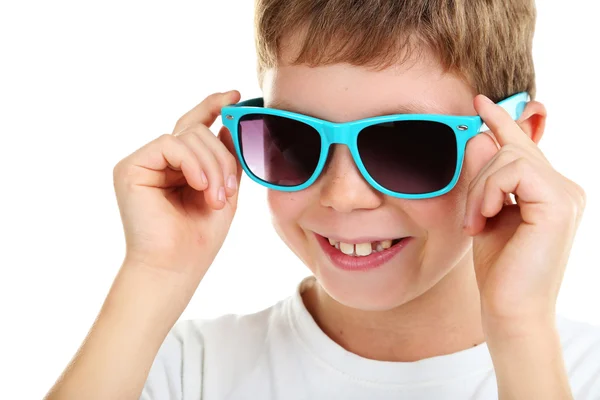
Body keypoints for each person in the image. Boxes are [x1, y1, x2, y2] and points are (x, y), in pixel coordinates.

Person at [45, 0, 600, 399]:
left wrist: (521, 329)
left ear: (516, 142)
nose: (343, 195)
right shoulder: (182, 368)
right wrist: (155, 275)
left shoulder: (578, 373)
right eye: (292, 138)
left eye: (407, 145)